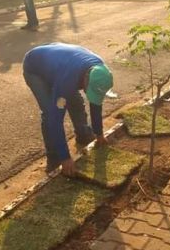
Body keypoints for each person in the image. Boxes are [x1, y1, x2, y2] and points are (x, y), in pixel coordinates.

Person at [23, 43, 114, 176]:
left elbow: (96, 103)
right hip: (35, 68)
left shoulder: (100, 72)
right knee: (50, 113)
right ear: (85, 80)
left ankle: (83, 134)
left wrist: (99, 134)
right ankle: (54, 157)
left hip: (61, 64)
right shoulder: (67, 80)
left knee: (76, 103)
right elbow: (55, 119)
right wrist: (64, 157)